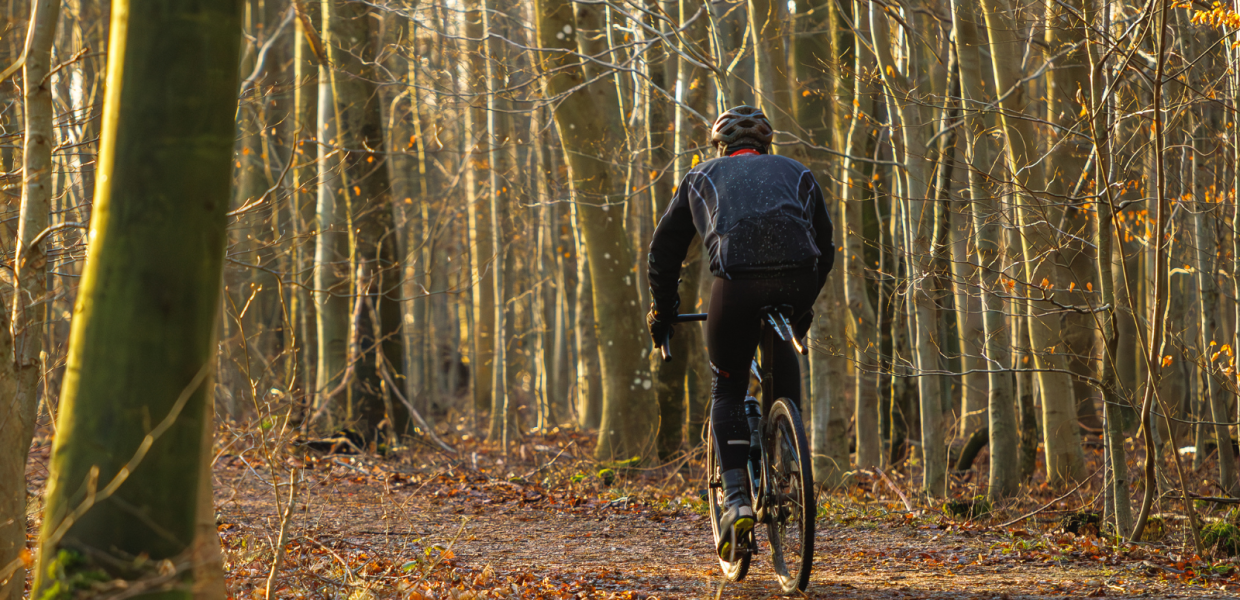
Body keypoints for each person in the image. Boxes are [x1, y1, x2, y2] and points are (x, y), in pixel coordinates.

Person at [646, 105, 834, 560]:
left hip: (738, 280)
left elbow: (665, 250)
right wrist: (802, 307)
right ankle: (786, 455)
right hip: (798, 278)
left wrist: (664, 311)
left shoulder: (701, 175)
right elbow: (825, 246)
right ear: (767, 145)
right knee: (784, 389)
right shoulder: (797, 171)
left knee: (727, 387)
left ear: (720, 146)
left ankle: (735, 503)